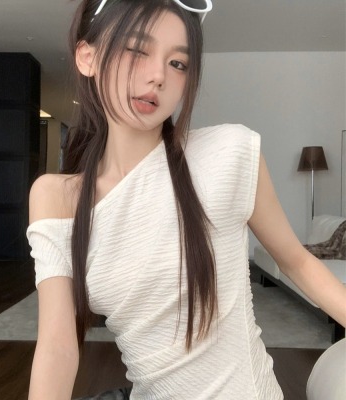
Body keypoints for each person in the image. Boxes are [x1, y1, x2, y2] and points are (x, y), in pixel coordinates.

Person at [26, 0, 346, 399]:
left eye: (178, 63)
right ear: (87, 57)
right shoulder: (56, 198)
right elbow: (57, 347)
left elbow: (296, 261)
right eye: (137, 50)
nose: (158, 75)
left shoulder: (228, 154)